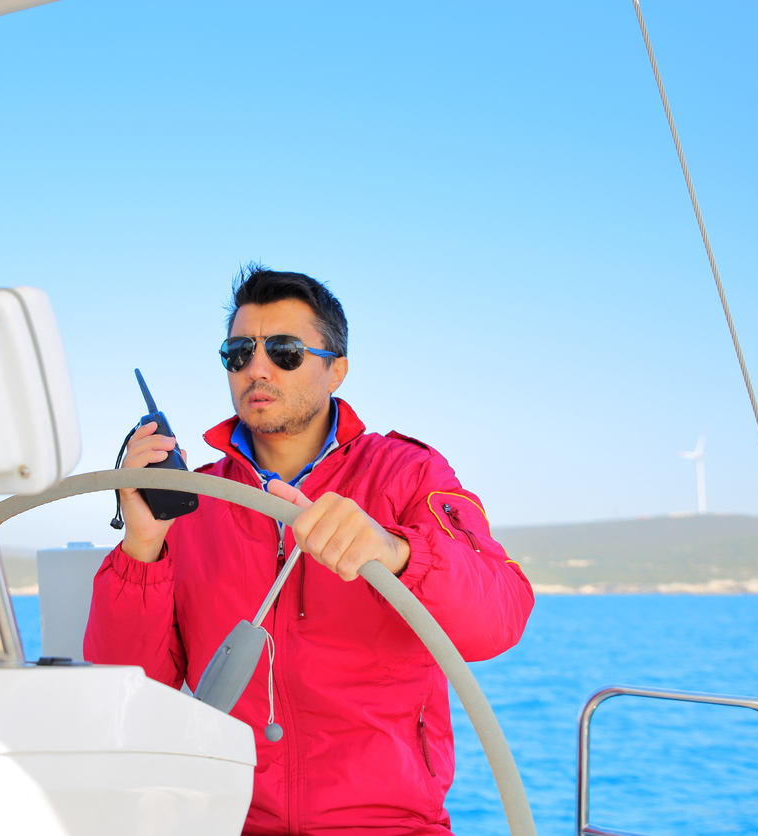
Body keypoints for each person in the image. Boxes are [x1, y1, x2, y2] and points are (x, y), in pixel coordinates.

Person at [84, 266, 535, 836]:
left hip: (389, 824)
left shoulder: (407, 474)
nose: (258, 367)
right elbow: (128, 689)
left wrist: (397, 551)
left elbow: (501, 617)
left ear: (336, 370)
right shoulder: (196, 502)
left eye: (285, 351)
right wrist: (141, 548)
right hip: (226, 818)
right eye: (239, 352)